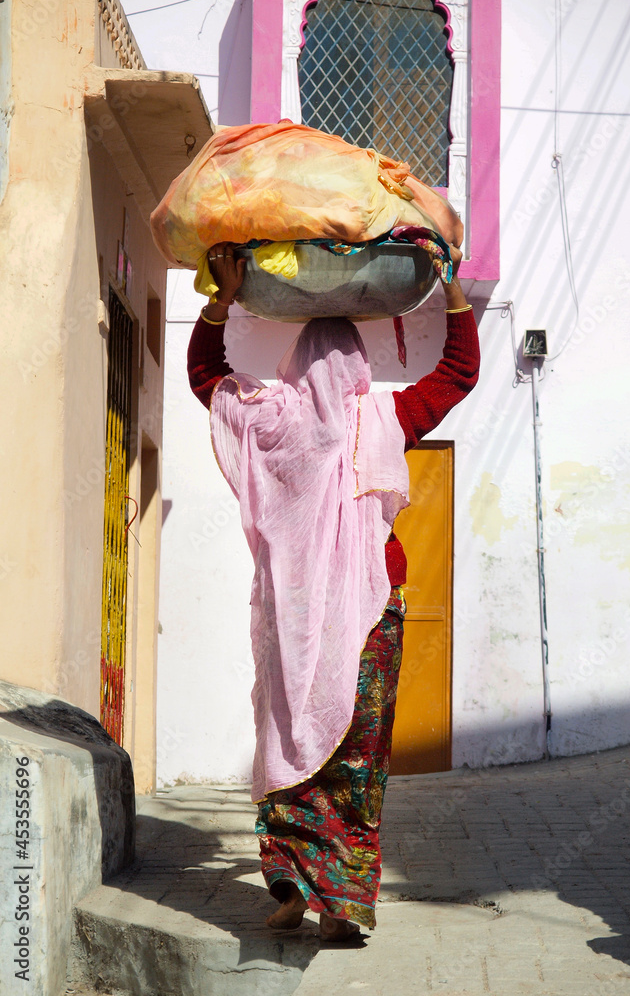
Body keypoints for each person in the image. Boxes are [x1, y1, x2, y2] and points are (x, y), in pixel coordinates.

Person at [187, 241, 480, 941]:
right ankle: (345, 902)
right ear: (356, 367)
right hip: (373, 612)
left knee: (288, 736)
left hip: (292, 618)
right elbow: (459, 373)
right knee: (359, 749)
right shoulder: (384, 419)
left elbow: (206, 377)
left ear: (292, 366)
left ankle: (289, 888)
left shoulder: (267, 420)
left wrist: (221, 299)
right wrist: (453, 291)